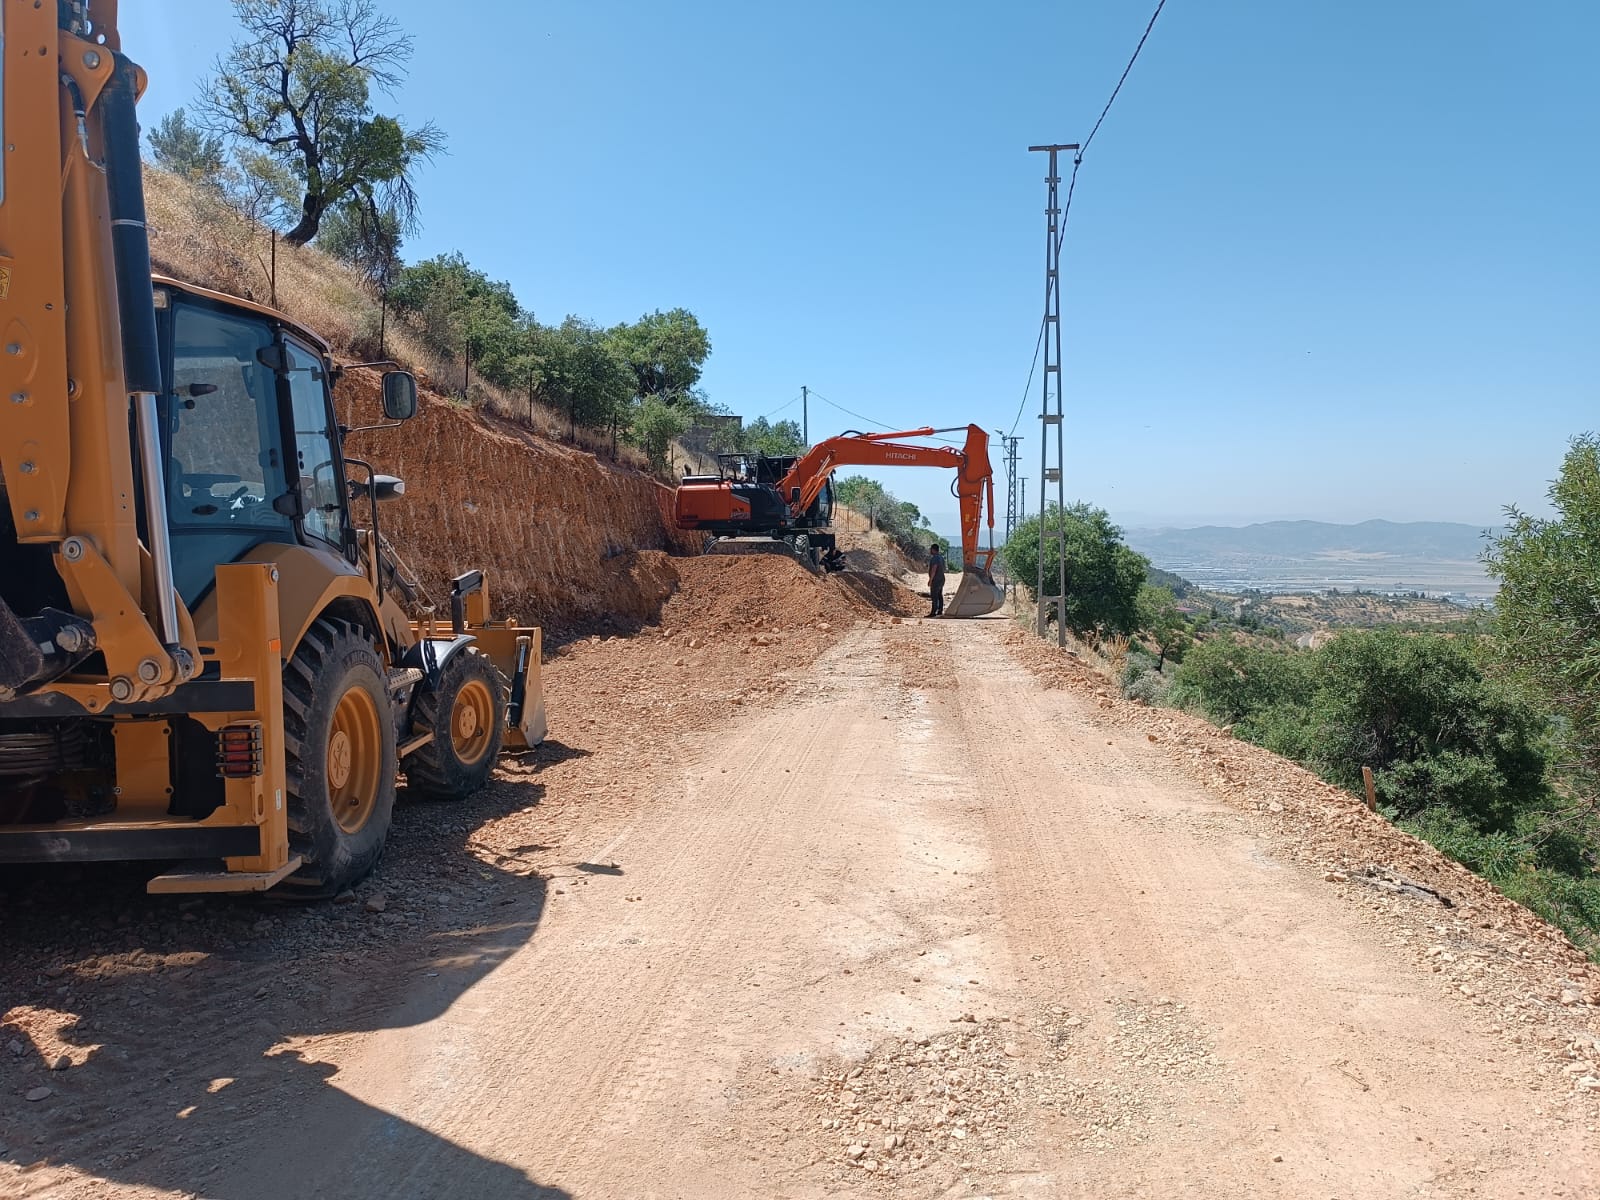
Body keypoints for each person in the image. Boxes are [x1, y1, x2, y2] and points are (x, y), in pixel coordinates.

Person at [927, 543, 946, 617]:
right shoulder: (941, 557)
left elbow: (934, 569)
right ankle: (940, 611)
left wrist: (930, 580)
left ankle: (933, 612)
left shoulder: (934, 558)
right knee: (939, 595)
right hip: (941, 579)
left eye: (930, 549)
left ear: (933, 549)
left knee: (934, 596)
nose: (930, 551)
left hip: (936, 580)